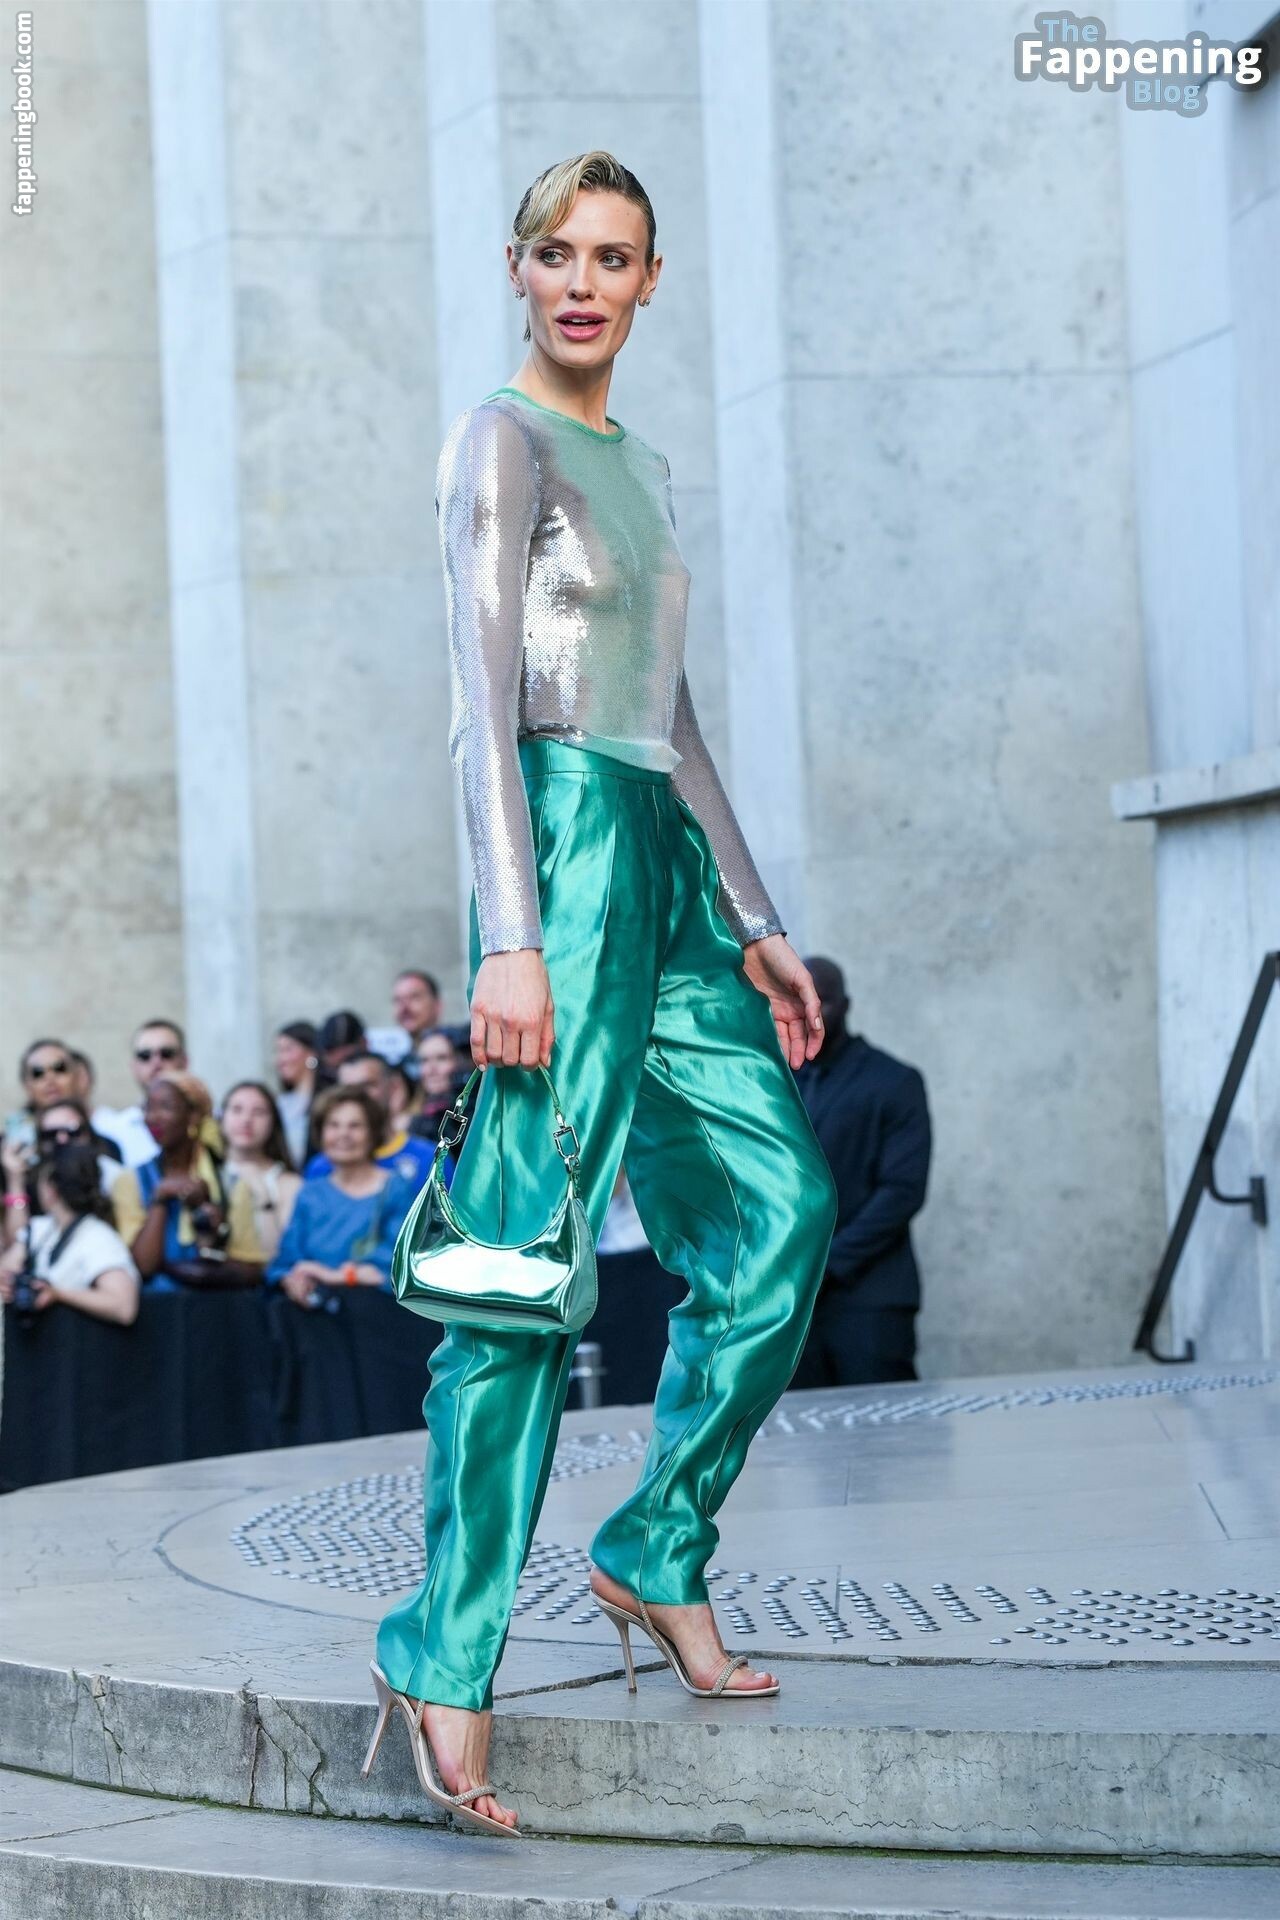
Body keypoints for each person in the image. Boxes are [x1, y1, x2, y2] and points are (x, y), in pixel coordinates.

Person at [368, 152, 837, 1834]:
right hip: (558, 861)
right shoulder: (499, 443)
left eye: (614, 257)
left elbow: (670, 713)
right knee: (518, 1269)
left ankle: (656, 1543)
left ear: (650, 280)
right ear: (520, 268)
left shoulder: (640, 461)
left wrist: (753, 913)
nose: (584, 282)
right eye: (558, 253)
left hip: (661, 857)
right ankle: (444, 1652)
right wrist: (511, 935)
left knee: (782, 1214)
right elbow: (481, 707)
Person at [789, 958, 932, 1388]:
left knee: (885, 1422)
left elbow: (902, 1192)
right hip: (795, 1303)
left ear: (847, 1005)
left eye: (823, 1001)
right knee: (801, 1425)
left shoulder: (894, 1081)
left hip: (871, 1298)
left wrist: (829, 1263)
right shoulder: (781, 1085)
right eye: (800, 1001)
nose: (811, 1012)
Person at [111, 1072, 263, 1291]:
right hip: (155, 1306)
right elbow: (144, 1266)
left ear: (193, 1116)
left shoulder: (229, 1184)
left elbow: (252, 1269)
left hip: (213, 1306)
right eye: (148, 1108)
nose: (153, 1117)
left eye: (165, 1107)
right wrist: (160, 1199)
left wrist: (216, 1230)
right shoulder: (131, 1180)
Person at [267, 1086, 416, 1306]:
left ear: (373, 1133)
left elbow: (398, 1267)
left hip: (378, 1311)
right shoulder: (310, 1193)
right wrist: (292, 1281)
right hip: (316, 1311)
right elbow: (285, 1262)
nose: (343, 1134)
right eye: (333, 1125)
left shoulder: (396, 1188)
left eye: (355, 1126)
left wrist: (338, 1276)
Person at [0, 1141, 141, 1326]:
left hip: (80, 1340)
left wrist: (58, 1294)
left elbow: (124, 1307)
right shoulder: (43, 1228)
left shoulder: (98, 1238)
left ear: (51, 1189)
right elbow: (8, 1265)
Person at [302, 1051, 435, 1191]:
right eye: (348, 1089)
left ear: (393, 1087)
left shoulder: (428, 1160)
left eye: (368, 1086)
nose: (357, 1096)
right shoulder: (321, 1167)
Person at [93, 1019, 216, 1169]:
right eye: (145, 1055)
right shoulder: (112, 1130)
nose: (156, 1063)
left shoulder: (215, 1124)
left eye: (167, 1054)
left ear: (184, 1061)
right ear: (134, 1066)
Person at [1, 1098, 125, 1245]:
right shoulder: (36, 1180)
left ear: (88, 1134)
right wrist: (15, 1182)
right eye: (50, 1134)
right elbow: (18, 1243)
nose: (61, 1140)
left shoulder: (114, 1175)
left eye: (72, 1132)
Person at [219, 1081, 302, 1264]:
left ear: (273, 1122)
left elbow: (277, 1257)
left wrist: (263, 1198)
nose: (246, 1120)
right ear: (222, 1116)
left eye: (258, 1112)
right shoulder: (205, 1171)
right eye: (237, 1110)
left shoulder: (291, 1184)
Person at [273, 1022, 326, 1170]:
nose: (280, 1059)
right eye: (278, 1051)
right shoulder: (279, 1103)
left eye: (288, 1049)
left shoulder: (328, 1100)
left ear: (311, 1053)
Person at [408, 1027, 464, 1144]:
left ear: (459, 1061)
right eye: (424, 1060)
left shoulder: (475, 1109)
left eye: (441, 1058)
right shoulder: (409, 1116)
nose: (431, 1069)